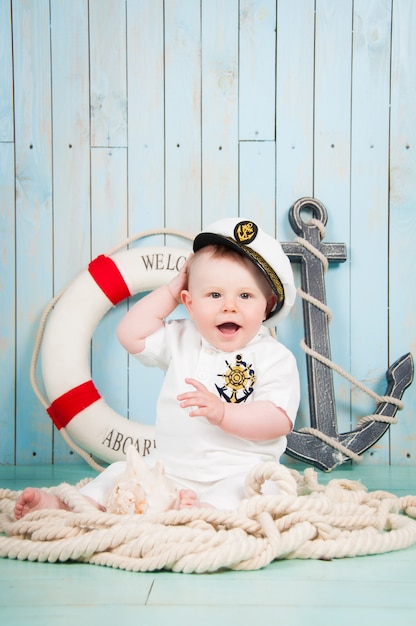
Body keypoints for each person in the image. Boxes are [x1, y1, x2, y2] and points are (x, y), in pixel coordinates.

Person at [15, 217, 300, 518]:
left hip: (238, 471)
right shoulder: (182, 337)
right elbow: (130, 334)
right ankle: (70, 506)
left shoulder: (273, 357)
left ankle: (206, 511)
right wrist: (170, 292)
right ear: (190, 304)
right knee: (119, 472)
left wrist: (223, 413)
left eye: (245, 295)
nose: (229, 306)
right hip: (171, 470)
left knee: (253, 490)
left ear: (267, 306)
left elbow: (277, 419)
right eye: (214, 295)